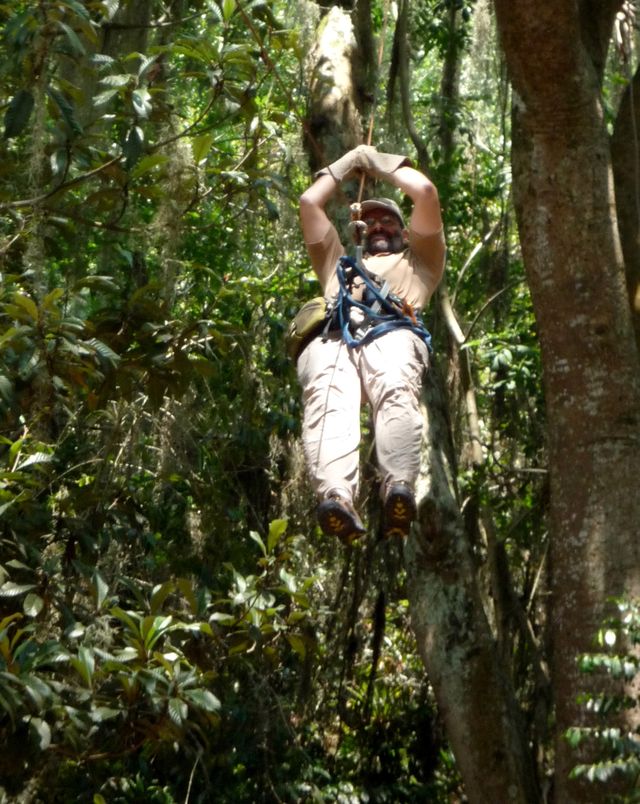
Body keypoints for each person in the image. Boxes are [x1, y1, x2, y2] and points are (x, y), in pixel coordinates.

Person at [297, 144, 445, 543]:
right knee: (328, 401)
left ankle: (398, 488)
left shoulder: (420, 261)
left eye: (389, 222)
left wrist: (375, 161)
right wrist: (348, 163)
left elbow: (425, 193)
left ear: (405, 233)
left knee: (394, 385)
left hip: (391, 331)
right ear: (358, 231)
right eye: (371, 222)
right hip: (336, 337)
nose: (378, 227)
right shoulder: (338, 263)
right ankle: (337, 497)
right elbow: (309, 203)